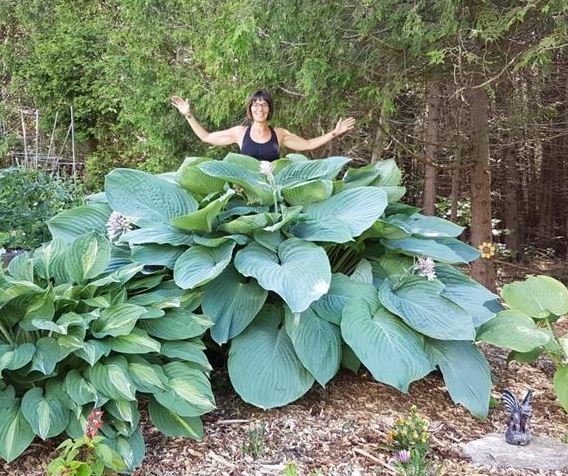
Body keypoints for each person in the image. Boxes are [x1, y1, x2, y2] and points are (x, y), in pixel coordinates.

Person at [171, 90, 355, 161]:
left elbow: (307, 144)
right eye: (255, 104)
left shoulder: (279, 134)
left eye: (264, 104)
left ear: (269, 110)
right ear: (250, 110)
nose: (260, 108)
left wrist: (334, 133)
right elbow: (206, 137)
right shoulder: (240, 133)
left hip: (272, 190)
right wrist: (188, 114)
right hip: (246, 191)